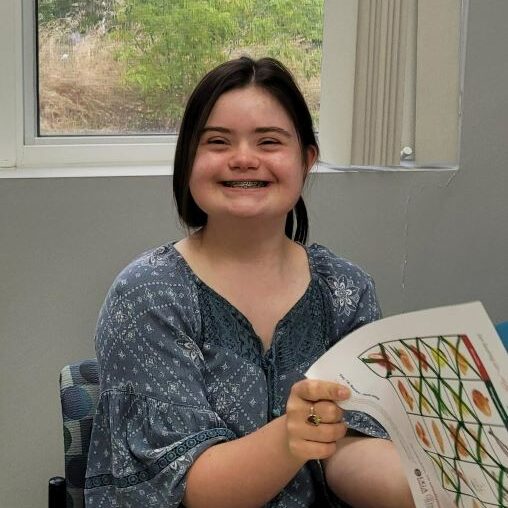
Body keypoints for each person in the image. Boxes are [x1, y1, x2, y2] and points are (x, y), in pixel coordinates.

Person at [84, 56, 414, 508]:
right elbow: (190, 490)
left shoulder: (345, 290)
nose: (243, 159)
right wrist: (292, 436)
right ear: (188, 161)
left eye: (269, 141)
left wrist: (442, 482)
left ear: (307, 160)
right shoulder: (148, 295)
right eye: (218, 142)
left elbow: (350, 451)